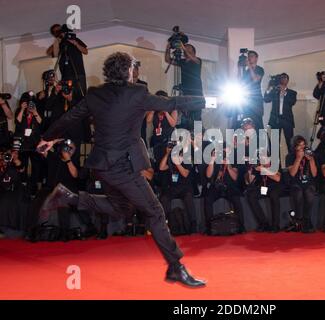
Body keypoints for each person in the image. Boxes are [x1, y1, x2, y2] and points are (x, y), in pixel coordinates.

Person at [37, 52, 206, 288]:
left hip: (102, 167)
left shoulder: (95, 94)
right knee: (155, 212)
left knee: (122, 208)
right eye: (133, 67)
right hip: (122, 167)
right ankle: (176, 267)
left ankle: (68, 197)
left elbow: (70, 117)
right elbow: (171, 103)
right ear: (128, 71)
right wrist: (205, 100)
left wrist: (47, 137)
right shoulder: (136, 94)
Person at [159, 142, 197, 235]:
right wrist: (167, 154)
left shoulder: (187, 161)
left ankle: (193, 224)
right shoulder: (171, 161)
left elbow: (185, 174)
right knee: (164, 198)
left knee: (188, 198)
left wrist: (178, 163)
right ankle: (166, 224)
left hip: (185, 188)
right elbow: (161, 167)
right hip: (173, 188)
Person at [165, 42, 203, 130]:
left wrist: (182, 46)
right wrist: (168, 48)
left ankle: (196, 140)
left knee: (196, 122)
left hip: (197, 97)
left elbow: (192, 57)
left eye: (188, 49)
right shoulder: (182, 62)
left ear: (194, 52)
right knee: (185, 121)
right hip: (186, 96)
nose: (185, 50)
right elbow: (167, 60)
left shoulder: (197, 61)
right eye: (185, 48)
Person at [46, 24, 88, 100]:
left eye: (60, 29)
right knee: (68, 96)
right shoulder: (58, 44)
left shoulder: (73, 39)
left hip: (78, 73)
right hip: (66, 75)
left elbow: (85, 51)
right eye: (57, 31)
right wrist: (57, 41)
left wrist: (75, 43)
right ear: (54, 34)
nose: (59, 32)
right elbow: (48, 52)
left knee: (81, 95)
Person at [286, 136, 318, 233]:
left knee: (309, 193)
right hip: (296, 183)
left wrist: (311, 160)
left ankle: (306, 219)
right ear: (295, 147)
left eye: (304, 145)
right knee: (298, 193)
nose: (302, 147)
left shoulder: (310, 155)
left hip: (308, 182)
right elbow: (292, 173)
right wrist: (298, 159)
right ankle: (299, 219)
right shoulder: (290, 156)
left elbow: (314, 174)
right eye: (300, 145)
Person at [244, 151, 282, 232]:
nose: (262, 159)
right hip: (263, 188)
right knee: (251, 195)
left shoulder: (274, 164)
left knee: (274, 195)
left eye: (264, 157)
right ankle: (263, 223)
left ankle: (275, 225)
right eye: (260, 157)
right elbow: (249, 182)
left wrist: (263, 169)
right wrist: (249, 170)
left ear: (269, 158)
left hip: (275, 187)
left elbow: (277, 178)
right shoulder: (258, 166)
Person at [264, 73, 297, 150]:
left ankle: (291, 160)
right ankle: (276, 161)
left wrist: (284, 92)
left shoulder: (292, 93)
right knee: (275, 143)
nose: (282, 79)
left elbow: (292, 102)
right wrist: (269, 88)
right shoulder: (275, 91)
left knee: (290, 143)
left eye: (284, 77)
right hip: (275, 120)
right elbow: (266, 100)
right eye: (281, 78)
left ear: (287, 80)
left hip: (287, 120)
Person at [239, 50, 265, 131]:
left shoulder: (259, 69)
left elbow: (255, 80)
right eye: (249, 56)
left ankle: (261, 143)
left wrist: (249, 67)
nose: (249, 58)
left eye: (252, 56)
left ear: (256, 58)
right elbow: (240, 82)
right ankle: (247, 142)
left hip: (256, 101)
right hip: (247, 100)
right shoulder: (246, 71)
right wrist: (239, 68)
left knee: (258, 123)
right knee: (246, 123)